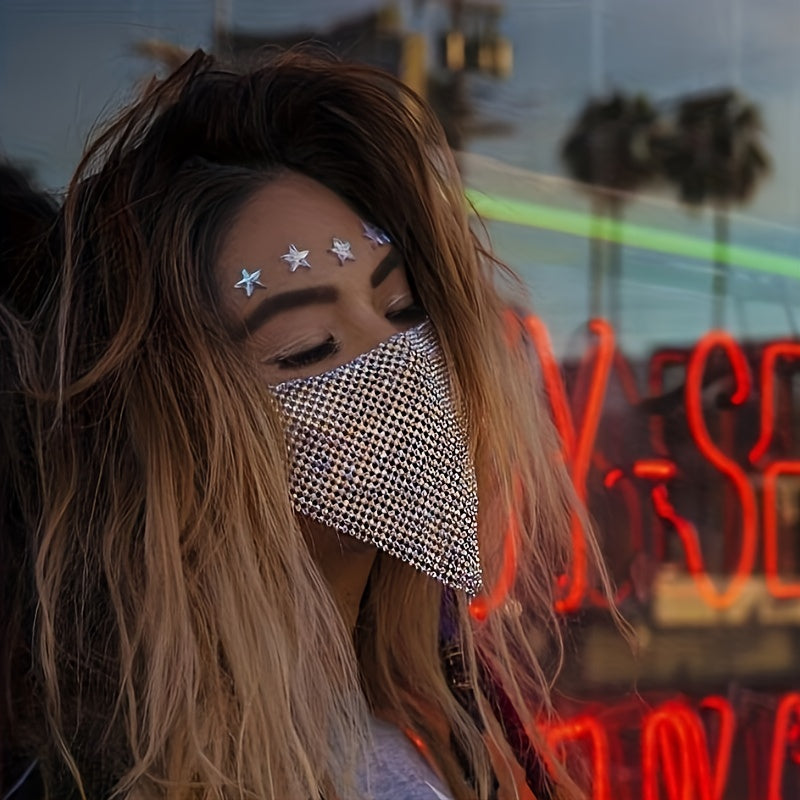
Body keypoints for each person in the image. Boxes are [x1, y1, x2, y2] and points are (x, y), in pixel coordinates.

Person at [0, 50, 610, 800]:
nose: (401, 365)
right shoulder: (158, 775)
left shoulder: (415, 729)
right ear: (185, 438)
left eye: (404, 309)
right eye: (307, 348)